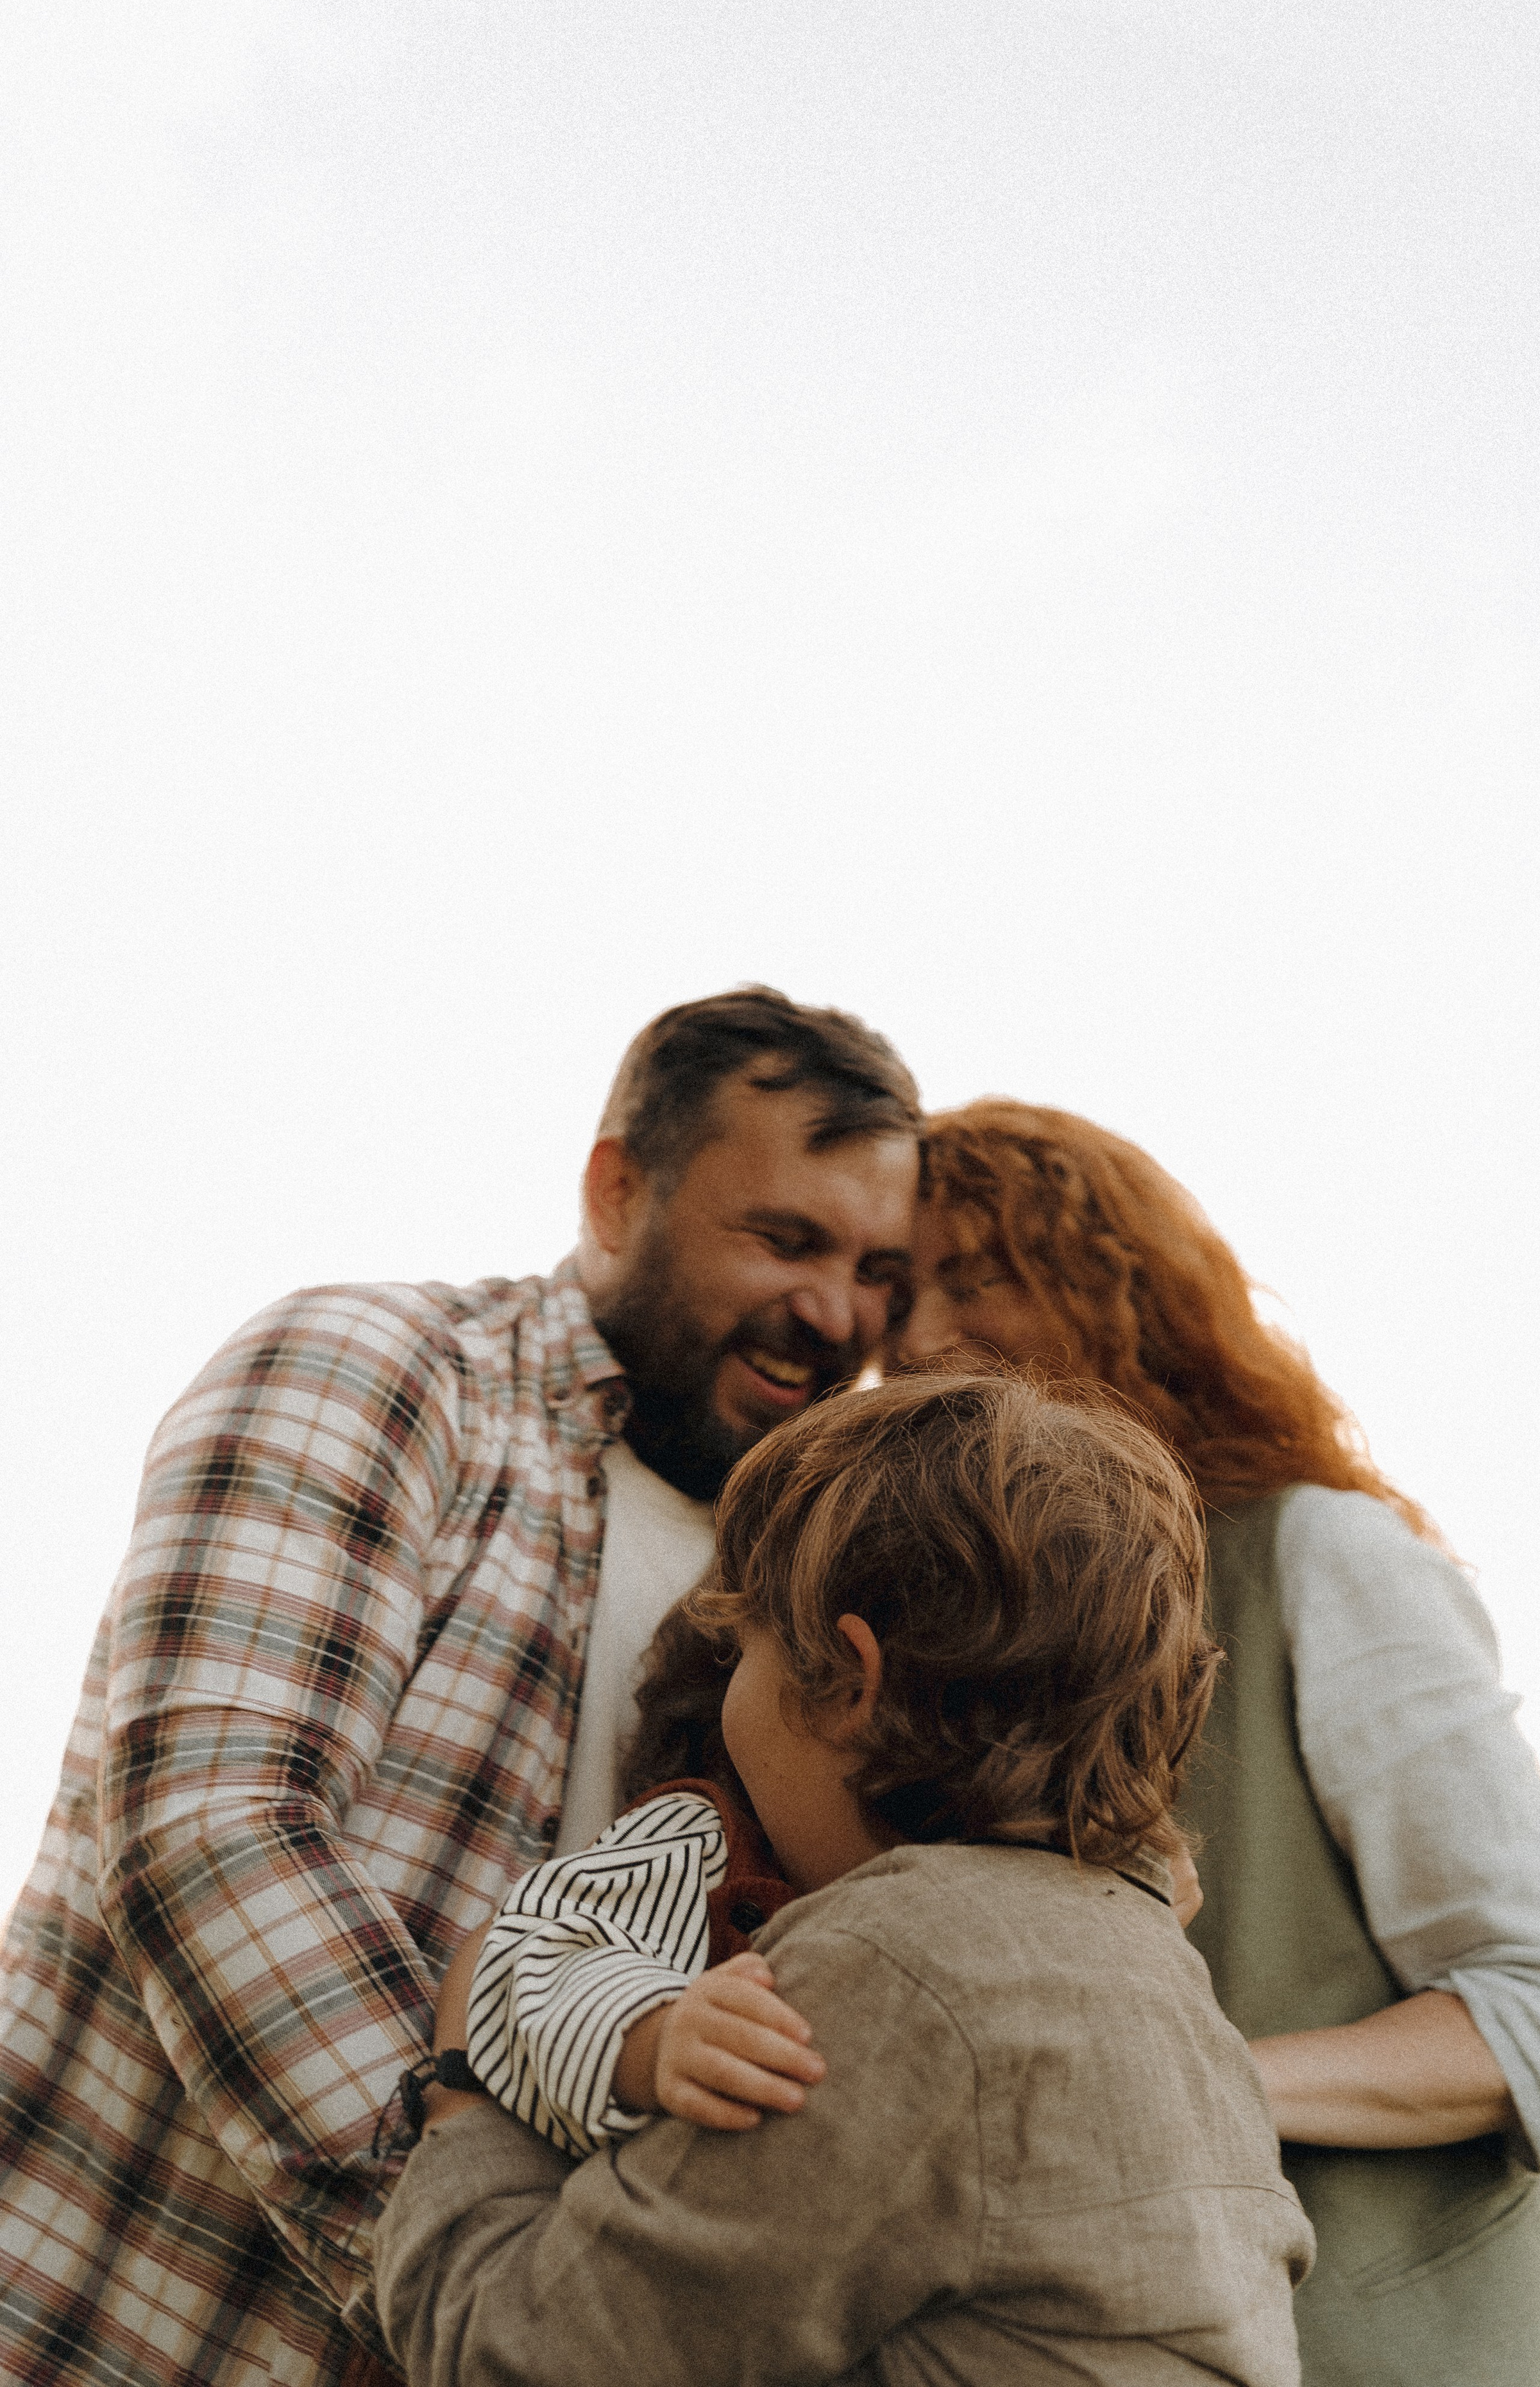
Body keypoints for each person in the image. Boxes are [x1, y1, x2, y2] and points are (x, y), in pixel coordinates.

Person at [0, 987, 920, 2387]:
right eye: (784, 1239)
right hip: (140, 2328)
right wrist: (466, 2276)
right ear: (618, 1192)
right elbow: (214, 1823)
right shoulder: (381, 1369)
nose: (831, 1313)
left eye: (875, 1272)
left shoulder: (797, 1580)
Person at [876, 1100, 1540, 2387]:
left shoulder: (1319, 1558)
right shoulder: (946, 1632)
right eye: (895, 1291)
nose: (919, 1336)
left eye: (977, 1276)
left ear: (1119, 1295)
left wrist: (1160, 2079)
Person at [373, 1372, 1315, 2387]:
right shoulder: (1168, 1988)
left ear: (851, 1680)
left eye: (747, 1646)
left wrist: (463, 2093)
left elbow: (518, 2359)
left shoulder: (901, 1967)